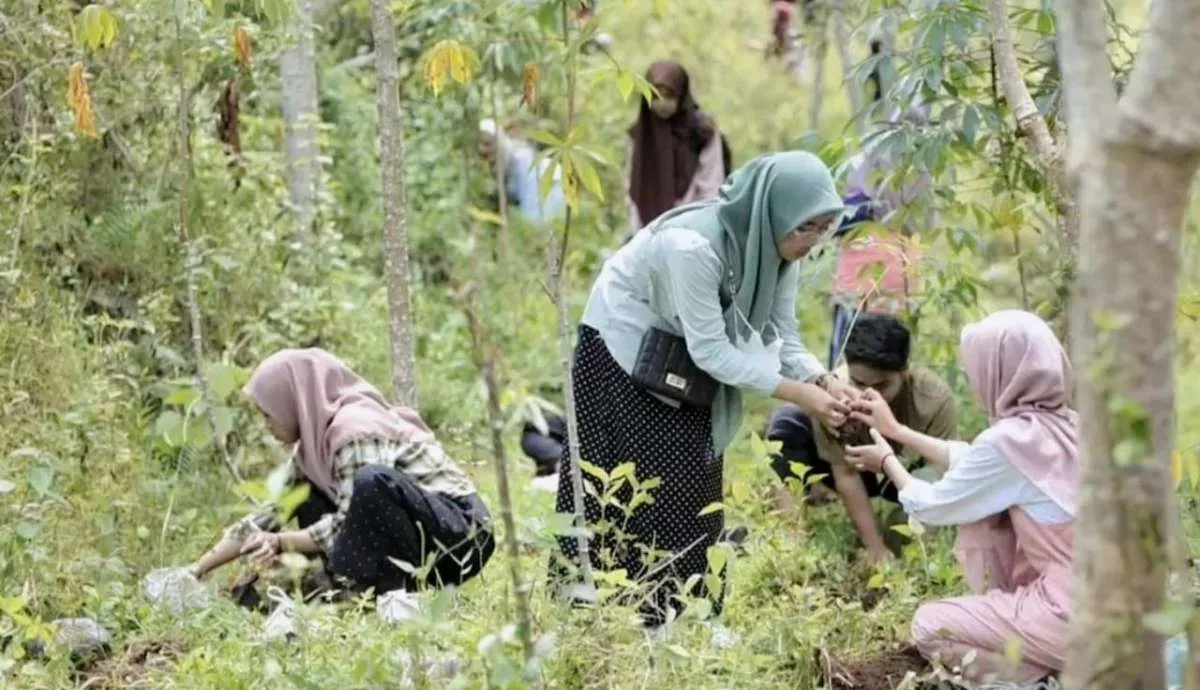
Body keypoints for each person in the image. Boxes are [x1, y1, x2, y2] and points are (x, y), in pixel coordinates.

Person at [552, 150, 855, 631]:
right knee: (613, 479)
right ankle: (595, 612)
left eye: (822, 228)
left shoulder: (775, 250)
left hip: (683, 350)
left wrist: (823, 379)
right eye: (805, 227)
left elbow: (784, 336)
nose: (812, 240)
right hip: (622, 344)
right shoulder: (692, 246)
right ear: (771, 210)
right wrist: (799, 396)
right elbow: (712, 352)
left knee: (693, 476)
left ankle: (683, 616)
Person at [846, 310, 1076, 683]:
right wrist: (897, 431)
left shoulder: (1009, 441)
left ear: (1000, 373)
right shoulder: (1068, 427)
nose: (973, 384)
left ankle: (1034, 678)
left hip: (1068, 613)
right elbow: (973, 464)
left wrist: (887, 460)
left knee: (930, 626)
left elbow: (934, 506)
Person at [188, 349, 495, 598]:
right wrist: (197, 569)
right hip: (416, 537)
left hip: (460, 539)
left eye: (268, 414)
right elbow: (267, 514)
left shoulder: (354, 429)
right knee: (306, 496)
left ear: (292, 402)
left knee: (371, 483)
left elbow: (347, 522)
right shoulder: (312, 451)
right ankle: (350, 589)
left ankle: (376, 591)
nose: (266, 424)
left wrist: (280, 542)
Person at [766, 314, 957, 563]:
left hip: (907, 474)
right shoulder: (834, 398)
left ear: (905, 373)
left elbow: (945, 471)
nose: (868, 395)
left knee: (908, 533)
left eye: (882, 386)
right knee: (786, 422)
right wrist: (875, 548)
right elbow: (846, 474)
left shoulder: (933, 399)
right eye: (858, 382)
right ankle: (792, 544)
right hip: (858, 469)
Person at [625, 60, 731, 238]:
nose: (663, 103)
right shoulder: (641, 134)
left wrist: (698, 229)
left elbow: (712, 184)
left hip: (692, 227)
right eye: (656, 96)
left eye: (669, 95)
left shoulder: (702, 132)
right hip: (648, 230)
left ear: (681, 95)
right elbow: (634, 181)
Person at [479, 118, 565, 225]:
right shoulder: (505, 164)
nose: (483, 150)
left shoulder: (521, 159)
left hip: (552, 190)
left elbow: (533, 212)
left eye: (488, 144)